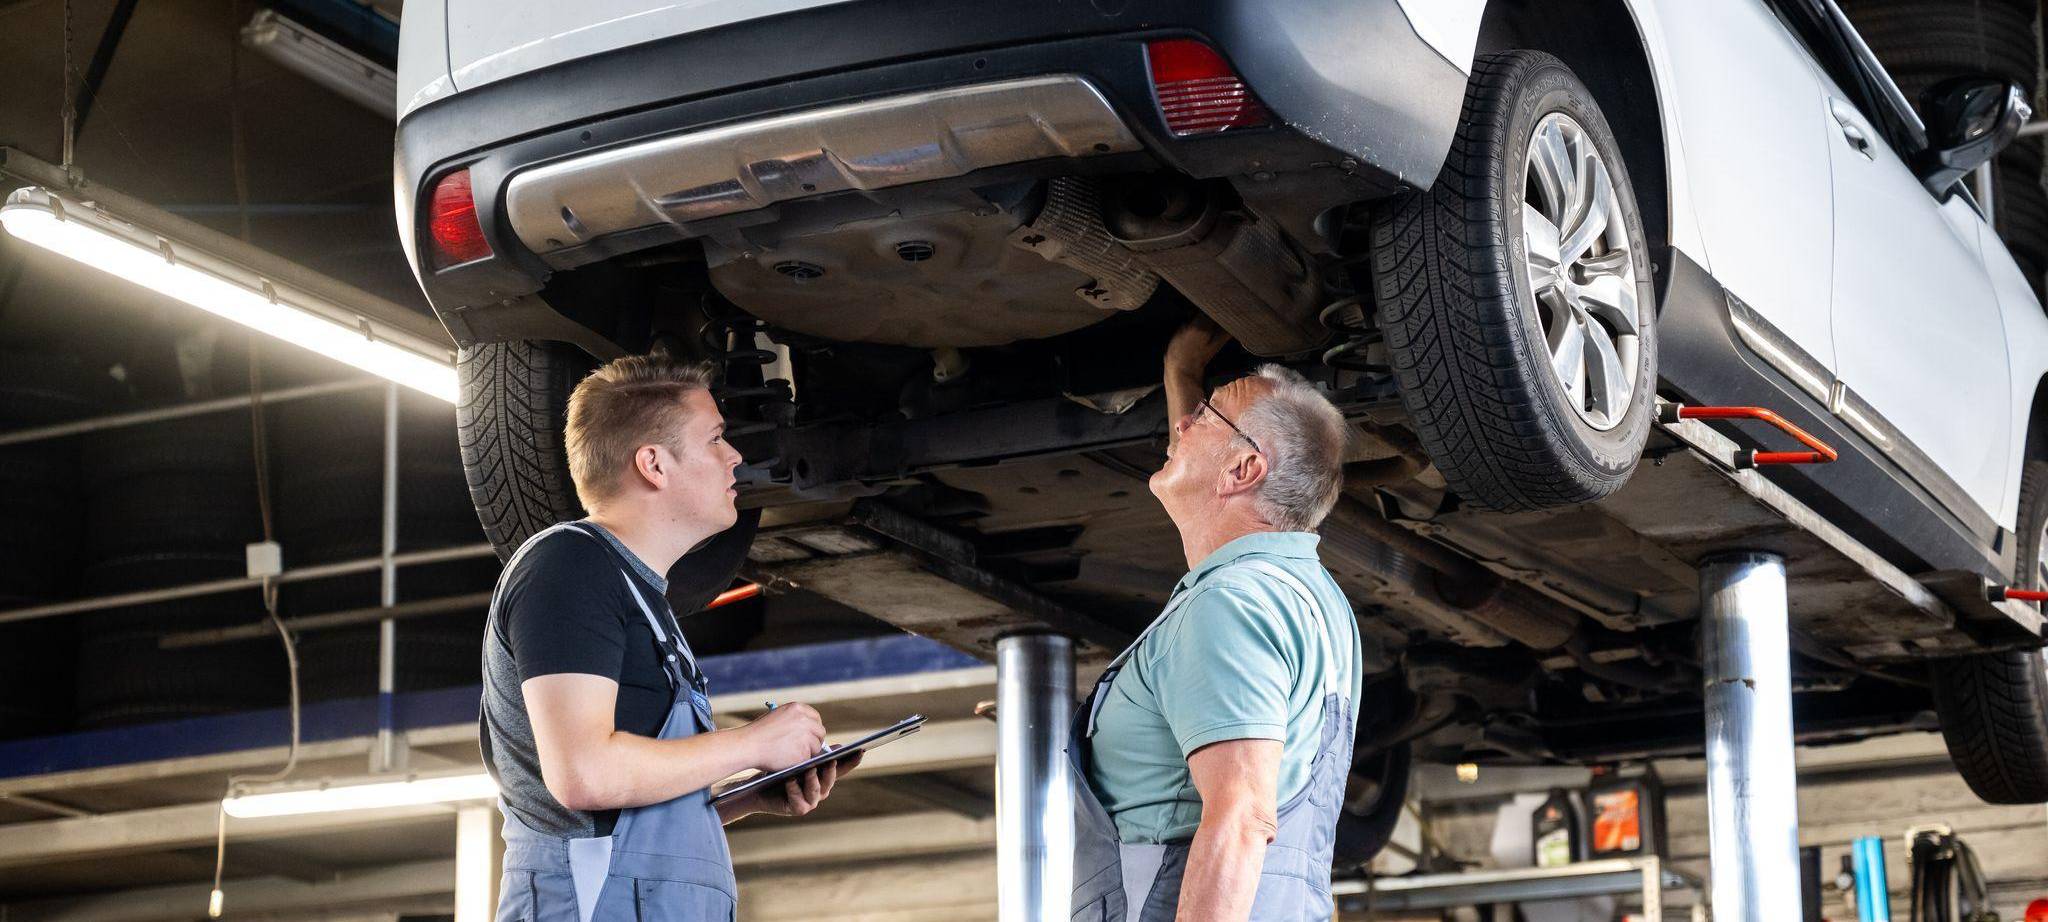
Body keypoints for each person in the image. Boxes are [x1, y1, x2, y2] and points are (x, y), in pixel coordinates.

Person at [480, 356, 854, 922]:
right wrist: (754, 742)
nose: (735, 457)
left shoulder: (644, 598)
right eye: (716, 439)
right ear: (653, 464)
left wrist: (745, 795)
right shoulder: (568, 567)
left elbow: (619, 818)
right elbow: (583, 774)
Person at [1071, 316, 1363, 922]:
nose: (1181, 424)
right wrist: (1181, 374)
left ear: (1244, 469)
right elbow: (1211, 519)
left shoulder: (1232, 604)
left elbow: (1241, 815)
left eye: (1202, 417)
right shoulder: (1300, 595)